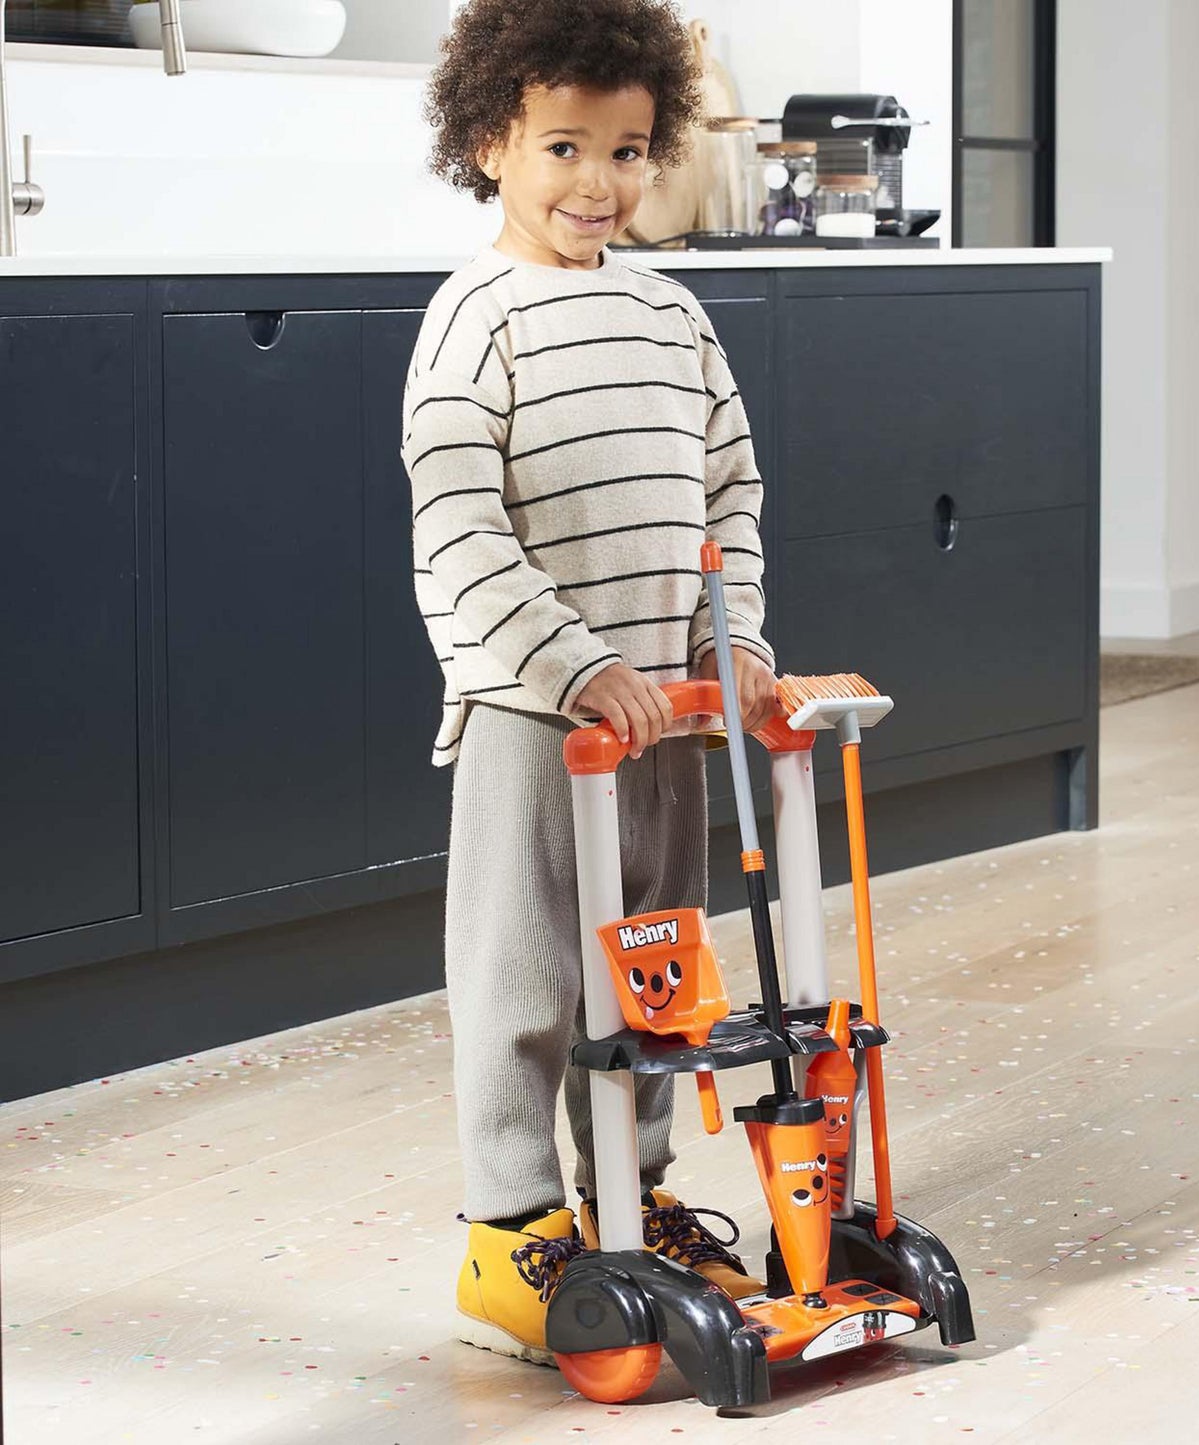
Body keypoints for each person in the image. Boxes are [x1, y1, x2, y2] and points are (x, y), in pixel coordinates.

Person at [403, 0, 778, 1365]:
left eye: (626, 152)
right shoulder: (471, 323)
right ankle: (513, 1234)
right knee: (527, 986)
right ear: (492, 143)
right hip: (532, 715)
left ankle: (642, 1195)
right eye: (564, 147)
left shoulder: (671, 315)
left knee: (651, 975)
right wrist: (573, 663)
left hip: (663, 722)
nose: (598, 183)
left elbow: (729, 493)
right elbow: (458, 527)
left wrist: (728, 636)